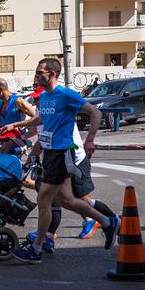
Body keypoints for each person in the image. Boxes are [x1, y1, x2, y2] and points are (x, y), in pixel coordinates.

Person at [1, 58, 120, 264]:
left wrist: (90, 140)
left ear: (52, 74)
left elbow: (96, 113)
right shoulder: (45, 97)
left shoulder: (65, 94)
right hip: (50, 154)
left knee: (43, 200)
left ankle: (37, 248)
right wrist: (16, 124)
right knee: (67, 200)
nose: (36, 76)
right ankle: (108, 222)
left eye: (40, 73)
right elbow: (40, 119)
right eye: (37, 73)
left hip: (61, 152)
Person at [22, 84, 117, 251]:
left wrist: (30, 157)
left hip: (74, 157)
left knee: (80, 199)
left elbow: (42, 138)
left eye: (38, 98)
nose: (36, 101)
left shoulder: (57, 104)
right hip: (56, 158)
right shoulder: (43, 109)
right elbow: (37, 131)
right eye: (35, 99)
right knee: (55, 199)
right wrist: (19, 133)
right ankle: (46, 238)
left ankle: (109, 220)